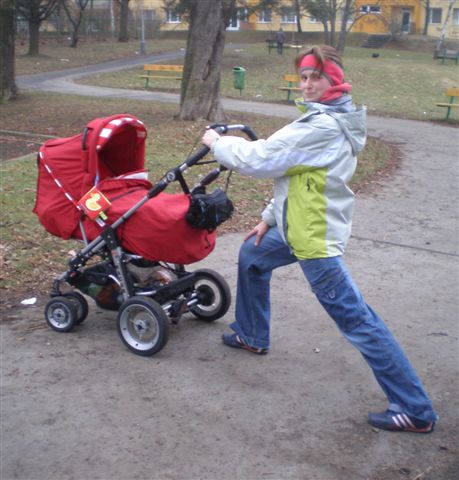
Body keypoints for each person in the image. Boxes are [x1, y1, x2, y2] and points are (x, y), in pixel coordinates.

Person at [202, 45, 438, 434]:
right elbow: (296, 176)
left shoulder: (323, 126)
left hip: (313, 240)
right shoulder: (327, 118)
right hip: (295, 227)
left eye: (317, 77)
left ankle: (414, 409)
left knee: (358, 320)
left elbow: (259, 159)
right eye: (305, 76)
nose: (308, 84)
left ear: (335, 80)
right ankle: (251, 333)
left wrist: (217, 143)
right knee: (253, 254)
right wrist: (267, 218)